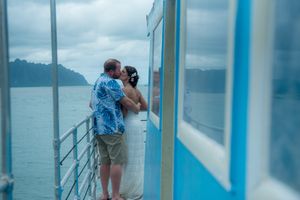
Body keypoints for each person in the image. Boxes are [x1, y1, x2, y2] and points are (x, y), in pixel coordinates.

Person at [90, 59, 141, 200]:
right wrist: (136, 108)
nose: (119, 72)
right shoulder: (111, 83)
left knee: (105, 162)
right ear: (111, 71)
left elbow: (90, 104)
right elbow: (124, 101)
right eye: (118, 70)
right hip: (112, 129)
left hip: (99, 129)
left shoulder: (97, 81)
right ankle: (116, 195)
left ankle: (104, 194)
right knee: (116, 162)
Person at [119, 66, 148, 199]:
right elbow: (146, 107)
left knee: (127, 157)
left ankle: (126, 189)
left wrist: (130, 110)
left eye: (123, 72)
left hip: (128, 124)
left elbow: (123, 112)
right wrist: (135, 108)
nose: (120, 73)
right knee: (135, 157)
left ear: (129, 76)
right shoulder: (136, 90)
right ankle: (136, 187)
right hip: (137, 124)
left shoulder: (124, 90)